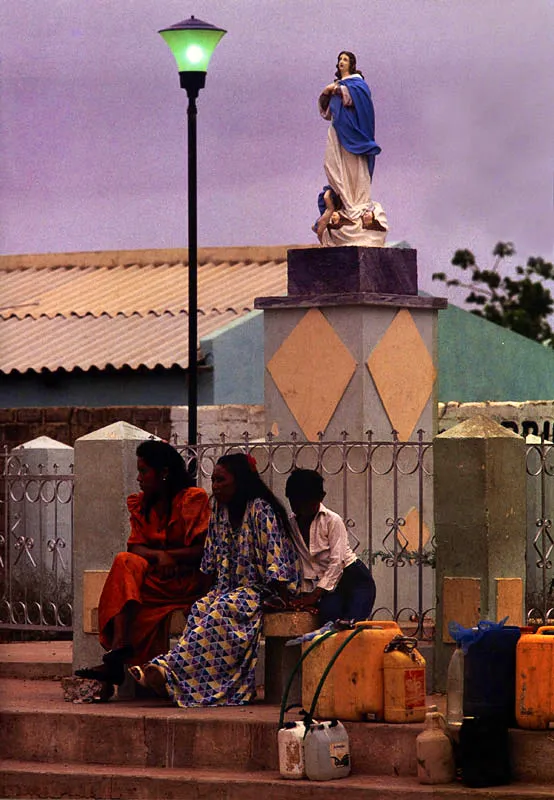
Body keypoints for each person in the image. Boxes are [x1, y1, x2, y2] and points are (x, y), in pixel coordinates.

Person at [130, 453, 300, 707]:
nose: (215, 486)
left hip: (260, 591)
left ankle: (166, 668)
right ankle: (180, 682)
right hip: (227, 588)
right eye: (213, 480)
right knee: (201, 609)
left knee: (223, 609)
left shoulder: (261, 510)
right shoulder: (220, 510)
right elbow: (210, 561)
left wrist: (276, 597)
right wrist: (197, 597)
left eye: (221, 480)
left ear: (239, 481)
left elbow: (277, 562)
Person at [75, 440, 211, 699]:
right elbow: (135, 548)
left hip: (184, 584)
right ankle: (119, 650)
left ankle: (115, 661)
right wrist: (162, 556)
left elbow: (201, 550)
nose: (138, 478)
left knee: (127, 584)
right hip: (154, 582)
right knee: (125, 562)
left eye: (143, 471)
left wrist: (169, 557)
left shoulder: (192, 499)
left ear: (164, 472)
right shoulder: (141, 504)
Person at [316, 50, 388, 247]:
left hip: (354, 135)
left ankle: (356, 207)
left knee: (355, 171)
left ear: (352, 64)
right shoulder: (337, 85)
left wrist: (337, 90)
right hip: (338, 132)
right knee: (332, 165)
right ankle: (345, 206)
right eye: (339, 59)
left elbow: (360, 103)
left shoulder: (358, 84)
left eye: (345, 59)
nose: (341, 62)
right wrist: (326, 92)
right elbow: (326, 112)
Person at [285, 468, 376, 624]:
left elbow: (337, 563)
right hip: (330, 587)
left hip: (355, 580)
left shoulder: (332, 520)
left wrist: (314, 595)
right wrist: (303, 598)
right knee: (329, 618)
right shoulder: (291, 525)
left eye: (306, 503)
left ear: (320, 498)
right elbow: (300, 563)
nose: (300, 508)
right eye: (295, 502)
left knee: (351, 626)